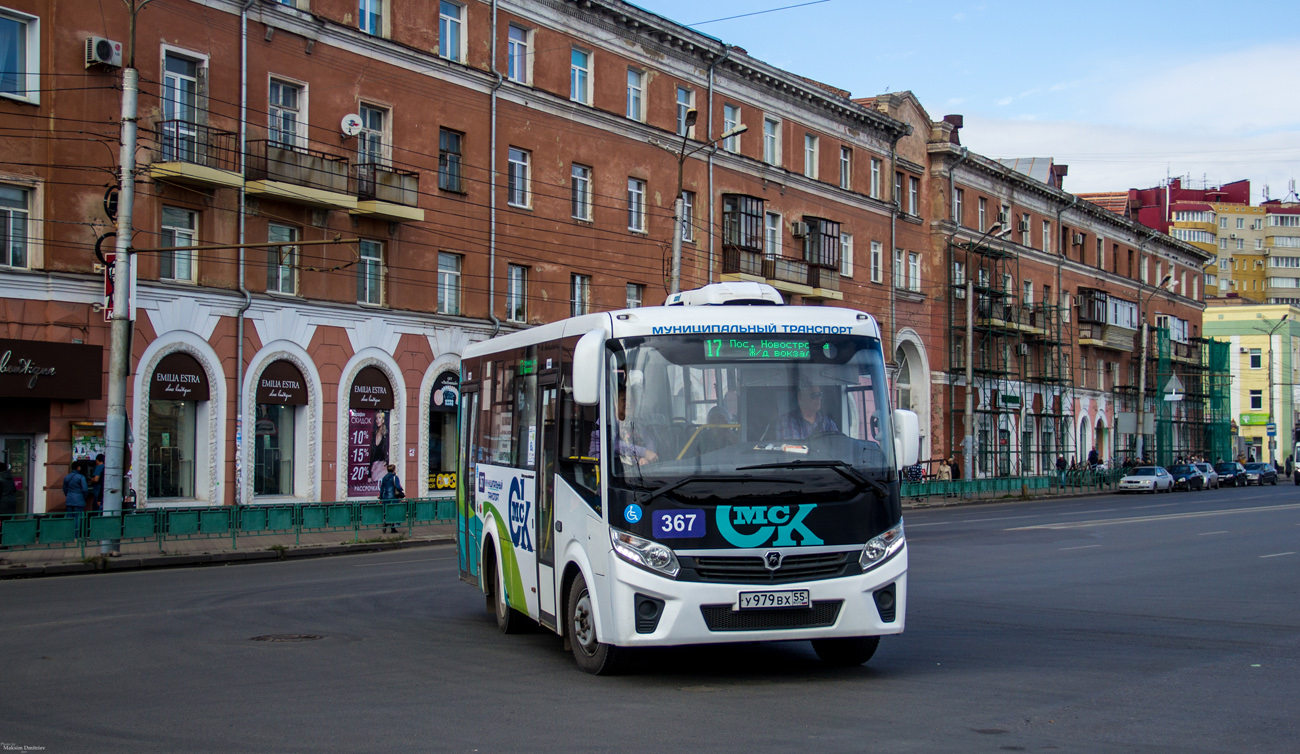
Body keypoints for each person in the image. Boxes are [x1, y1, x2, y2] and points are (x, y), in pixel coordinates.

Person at [63, 461, 90, 532]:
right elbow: (85, 489)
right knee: (78, 518)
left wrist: (68, 495)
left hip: (69, 500)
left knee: (69, 518)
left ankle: (69, 534)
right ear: (78, 468)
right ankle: (76, 536)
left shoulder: (67, 477)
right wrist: (84, 497)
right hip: (79, 500)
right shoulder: (81, 477)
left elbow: (64, 489)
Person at [378, 463, 404, 534]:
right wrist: (401, 492)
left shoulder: (384, 478)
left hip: (385, 498)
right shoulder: (395, 477)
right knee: (394, 512)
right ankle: (387, 524)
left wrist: (381, 498)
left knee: (388, 512)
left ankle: (392, 528)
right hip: (393, 497)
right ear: (393, 470)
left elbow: (381, 489)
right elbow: (398, 487)